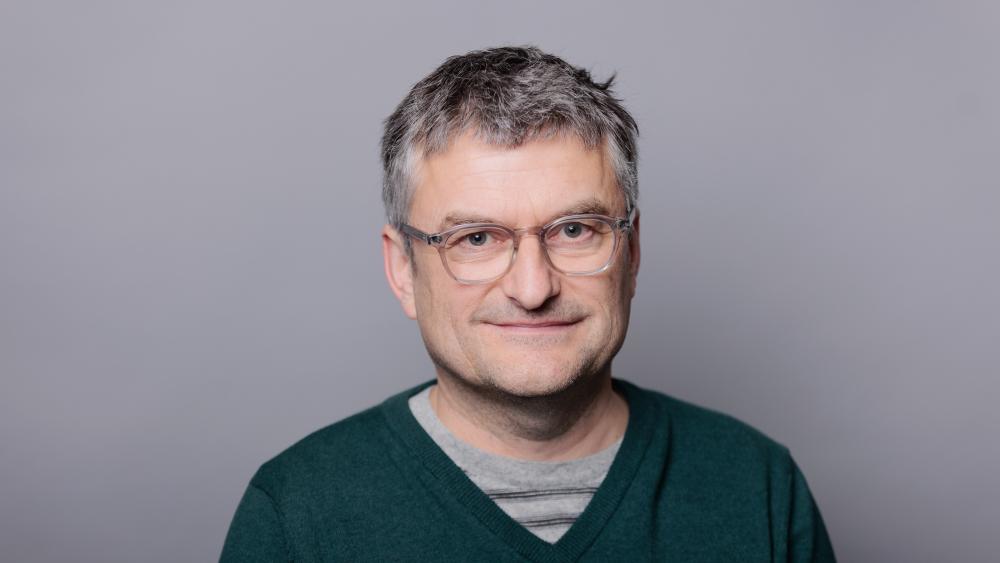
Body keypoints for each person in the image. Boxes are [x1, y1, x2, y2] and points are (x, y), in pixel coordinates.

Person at [220, 46, 835, 562]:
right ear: (403, 269)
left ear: (632, 250)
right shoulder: (296, 515)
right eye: (477, 239)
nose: (533, 288)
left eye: (575, 230)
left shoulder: (757, 488)